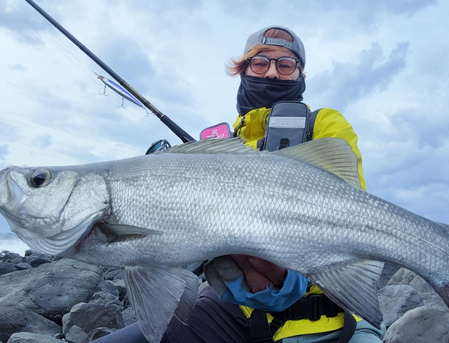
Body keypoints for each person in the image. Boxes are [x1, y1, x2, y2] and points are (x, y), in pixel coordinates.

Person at [95, 26, 386, 343]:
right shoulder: (225, 143)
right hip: (239, 311)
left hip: (330, 315)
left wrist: (295, 275)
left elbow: (348, 215)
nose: (272, 73)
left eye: (285, 64)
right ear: (243, 69)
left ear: (300, 75)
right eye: (260, 62)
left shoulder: (325, 122)